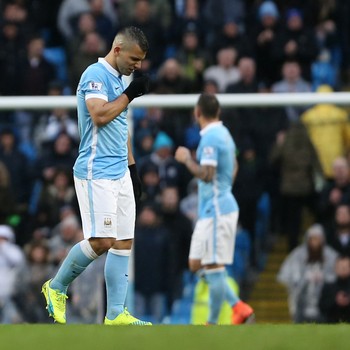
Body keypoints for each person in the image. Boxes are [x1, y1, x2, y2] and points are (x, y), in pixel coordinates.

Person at [41, 26, 151, 326]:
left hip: (119, 171)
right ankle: (57, 286)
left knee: (124, 242)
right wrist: (130, 94)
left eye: (141, 61)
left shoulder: (118, 79)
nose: (137, 65)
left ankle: (115, 314)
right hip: (96, 170)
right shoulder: (94, 74)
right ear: (117, 49)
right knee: (102, 240)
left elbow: (120, 128)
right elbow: (100, 115)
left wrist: (133, 169)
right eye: (134, 58)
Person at [174, 93, 254, 325]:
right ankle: (237, 305)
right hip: (211, 208)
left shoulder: (211, 138)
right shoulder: (224, 134)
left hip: (218, 210)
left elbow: (207, 174)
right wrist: (225, 185)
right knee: (196, 263)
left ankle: (213, 322)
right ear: (217, 112)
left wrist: (187, 160)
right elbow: (235, 163)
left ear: (197, 113)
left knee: (213, 265)